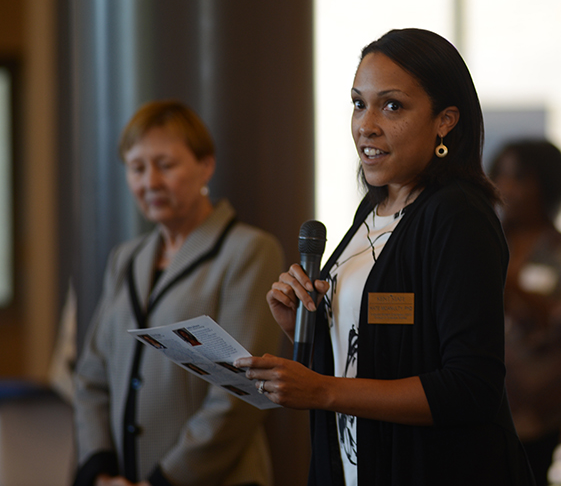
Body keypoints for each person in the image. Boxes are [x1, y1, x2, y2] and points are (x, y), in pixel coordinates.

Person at [235, 28, 535, 485]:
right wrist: (308, 325)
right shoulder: (375, 208)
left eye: (391, 105)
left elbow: (471, 387)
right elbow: (376, 354)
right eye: (359, 103)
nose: (366, 124)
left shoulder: (457, 215)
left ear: (445, 121)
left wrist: (323, 390)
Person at [72, 100, 284, 486]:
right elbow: (91, 378)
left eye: (165, 165)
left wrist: (164, 481)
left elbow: (240, 392)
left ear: (206, 165)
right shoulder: (126, 258)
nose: (150, 182)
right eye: (137, 168)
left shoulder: (249, 251)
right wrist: (99, 471)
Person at [489, 139, 561, 486]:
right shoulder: (484, 243)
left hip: (538, 414)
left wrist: (515, 293)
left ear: (547, 185)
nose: (507, 189)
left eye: (519, 178)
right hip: (477, 407)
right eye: (500, 176)